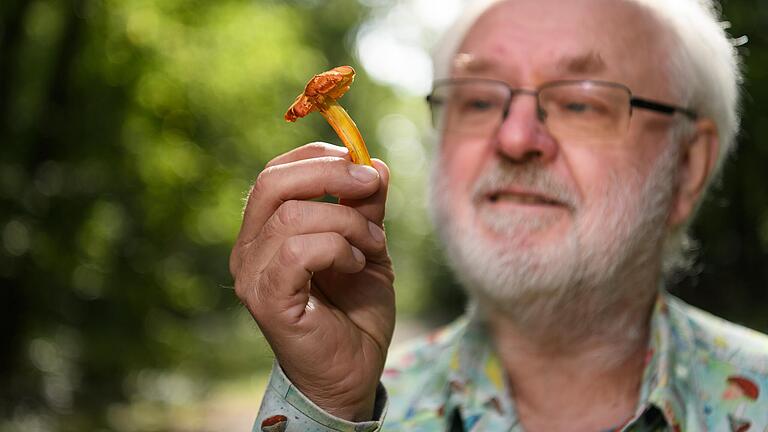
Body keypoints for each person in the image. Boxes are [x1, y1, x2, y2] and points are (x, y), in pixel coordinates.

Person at [229, 0, 768, 430]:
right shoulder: (348, 408)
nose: (513, 137)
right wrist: (330, 409)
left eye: (581, 101)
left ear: (687, 165)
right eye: (479, 100)